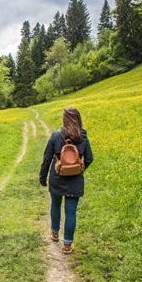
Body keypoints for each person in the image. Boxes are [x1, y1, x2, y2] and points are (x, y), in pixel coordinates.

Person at [39, 107, 93, 254]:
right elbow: (89, 158)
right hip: (75, 181)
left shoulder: (56, 136)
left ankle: (55, 234)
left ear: (65, 119)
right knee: (71, 212)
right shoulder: (83, 137)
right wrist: (78, 169)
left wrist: (43, 177)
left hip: (57, 178)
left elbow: (47, 158)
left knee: (55, 204)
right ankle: (67, 245)